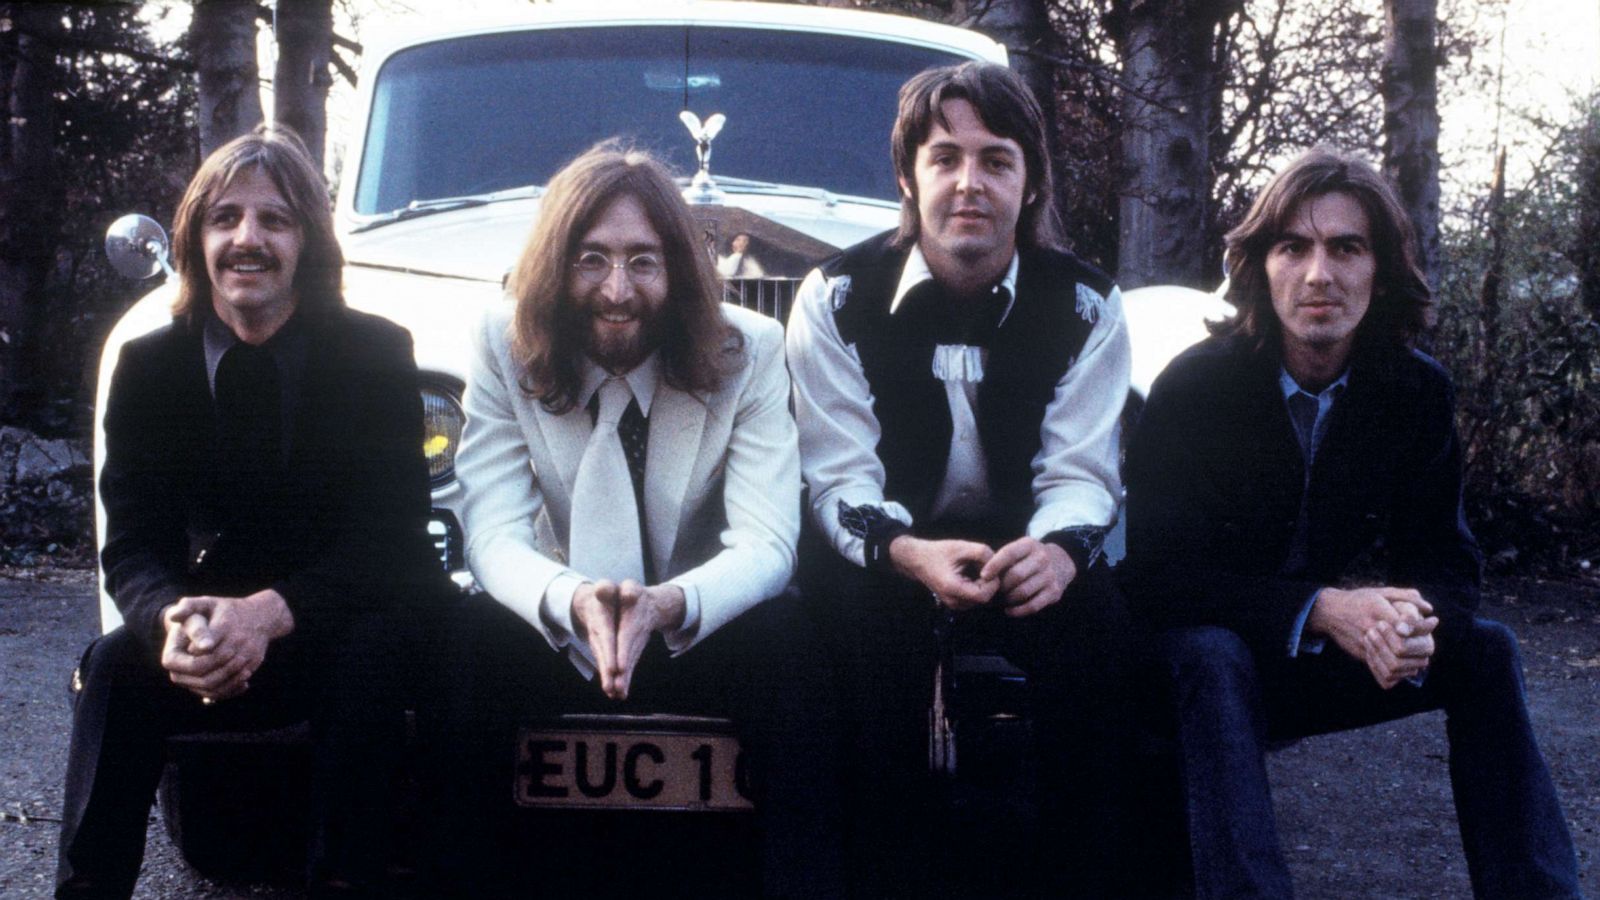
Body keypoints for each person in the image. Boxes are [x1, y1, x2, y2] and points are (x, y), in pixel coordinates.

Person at [1122, 147, 1583, 899]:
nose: (1318, 275)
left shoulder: (1411, 392)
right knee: (1214, 653)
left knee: (1487, 651)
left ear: (1381, 270)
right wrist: (1326, 610)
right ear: (1259, 268)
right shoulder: (1196, 386)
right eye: (1292, 246)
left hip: (1298, 666)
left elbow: (1449, 563)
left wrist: (1410, 623)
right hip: (1179, 675)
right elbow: (1156, 581)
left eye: (1346, 247)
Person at [785, 62, 1155, 897]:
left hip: (1026, 544)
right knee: (857, 647)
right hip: (889, 547)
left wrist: (1058, 552)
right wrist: (904, 551)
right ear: (909, 176)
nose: (969, 183)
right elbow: (837, 470)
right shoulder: (836, 296)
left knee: (1101, 634)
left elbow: (1081, 470)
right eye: (945, 156)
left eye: (997, 159)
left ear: (1030, 184)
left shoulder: (1089, 305)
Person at [433, 142, 841, 898]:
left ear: (678, 271)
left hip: (691, 622)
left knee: (792, 646)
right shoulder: (501, 343)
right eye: (591, 260)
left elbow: (768, 542)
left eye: (643, 262)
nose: (617, 291)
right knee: (465, 642)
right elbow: (491, 533)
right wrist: (569, 600)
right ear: (557, 266)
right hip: (562, 617)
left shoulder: (749, 350)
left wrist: (670, 605)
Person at [58, 125, 440, 899]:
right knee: (111, 667)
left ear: (309, 241)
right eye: (224, 218)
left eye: (275, 219)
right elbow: (130, 544)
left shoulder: (377, 355)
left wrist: (271, 614)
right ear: (196, 238)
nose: (247, 239)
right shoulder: (147, 365)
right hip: (209, 631)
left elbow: (392, 542)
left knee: (369, 663)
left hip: (334, 622)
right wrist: (171, 622)